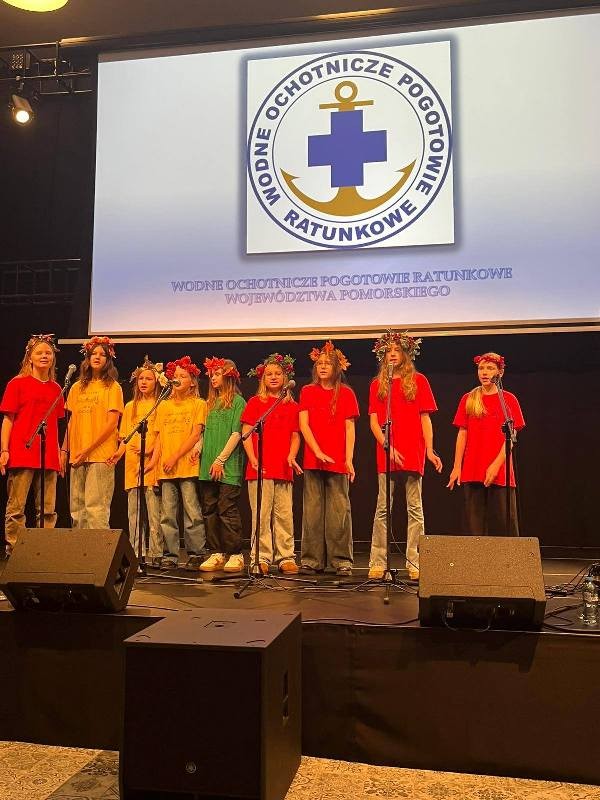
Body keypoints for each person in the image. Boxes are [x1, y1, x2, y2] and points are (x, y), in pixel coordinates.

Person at [368, 331, 442, 581]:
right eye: (388, 351)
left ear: (406, 354)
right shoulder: (378, 384)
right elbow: (374, 421)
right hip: (387, 452)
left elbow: (425, 418)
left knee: (415, 509)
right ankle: (378, 561)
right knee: (382, 508)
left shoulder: (419, 381)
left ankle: (415, 561)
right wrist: (387, 445)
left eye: (397, 351)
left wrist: (430, 449)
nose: (392, 355)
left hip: (412, 450)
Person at [0, 334, 65, 558]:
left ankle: (43, 550)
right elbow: (8, 420)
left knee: (47, 508)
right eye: (39, 353)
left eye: (48, 353)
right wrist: (4, 450)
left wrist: (59, 452)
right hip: (22, 450)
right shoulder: (17, 383)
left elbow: (56, 426)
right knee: (16, 507)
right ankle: (15, 550)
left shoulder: (57, 388)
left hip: (48, 455)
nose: (44, 356)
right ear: (30, 357)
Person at [447, 352, 525, 536]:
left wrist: (496, 465)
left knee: (505, 522)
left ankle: (509, 555)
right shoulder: (469, 398)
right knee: (474, 526)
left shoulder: (508, 400)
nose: (484, 372)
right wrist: (457, 466)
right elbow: (462, 433)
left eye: (490, 368)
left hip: (500, 470)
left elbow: (511, 437)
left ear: (500, 372)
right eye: (481, 368)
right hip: (473, 469)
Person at [299, 340, 358, 577]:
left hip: (338, 459)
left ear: (337, 368)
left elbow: (350, 429)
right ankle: (311, 560)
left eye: (328, 363)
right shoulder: (307, 391)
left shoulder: (346, 393)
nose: (323, 366)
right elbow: (303, 425)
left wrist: (349, 459)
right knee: (312, 511)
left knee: (339, 511)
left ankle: (341, 560)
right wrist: (316, 451)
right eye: (320, 363)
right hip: (314, 459)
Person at [242, 353, 301, 575]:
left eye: (278, 374)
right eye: (269, 374)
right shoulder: (255, 403)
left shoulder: (292, 406)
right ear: (263, 379)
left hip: (283, 467)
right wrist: (253, 458)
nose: (274, 377)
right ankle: (261, 557)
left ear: (285, 378)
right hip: (260, 468)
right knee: (261, 514)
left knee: (284, 515)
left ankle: (286, 556)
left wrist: (291, 456)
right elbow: (246, 432)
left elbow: (295, 435)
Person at [146, 356, 207, 570]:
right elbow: (159, 438)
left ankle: (196, 553)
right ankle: (170, 555)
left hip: (187, 467)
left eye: (183, 376)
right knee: (167, 515)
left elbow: (195, 435)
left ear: (192, 382)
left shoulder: (198, 404)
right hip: (166, 469)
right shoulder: (163, 405)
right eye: (176, 376)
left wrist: (175, 457)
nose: (178, 379)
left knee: (192, 511)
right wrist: (155, 463)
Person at [62, 336, 124, 529]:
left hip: (100, 456)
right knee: (77, 511)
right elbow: (72, 422)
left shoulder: (113, 387)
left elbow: (111, 424)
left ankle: (99, 550)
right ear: (87, 358)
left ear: (108, 359)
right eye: (93, 354)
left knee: (96, 510)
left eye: (102, 354)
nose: (97, 357)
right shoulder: (76, 387)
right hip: (77, 455)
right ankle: (80, 549)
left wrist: (87, 450)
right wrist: (64, 451)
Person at [107, 356, 163, 566]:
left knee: (154, 512)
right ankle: (136, 552)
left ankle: (156, 553)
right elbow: (125, 436)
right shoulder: (130, 406)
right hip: (132, 463)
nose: (144, 382)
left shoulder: (160, 405)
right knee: (134, 512)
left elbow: (161, 435)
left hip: (151, 463)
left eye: (148, 379)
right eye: (141, 379)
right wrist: (118, 453)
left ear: (156, 382)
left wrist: (149, 449)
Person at [198, 357, 246, 573]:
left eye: (217, 374)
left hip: (227, 466)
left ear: (229, 376)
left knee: (226, 509)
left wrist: (220, 460)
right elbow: (204, 432)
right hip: (208, 466)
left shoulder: (238, 402)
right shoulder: (209, 403)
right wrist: (197, 448)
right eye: (212, 375)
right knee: (209, 510)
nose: (213, 378)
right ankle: (216, 552)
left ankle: (235, 553)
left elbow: (236, 434)